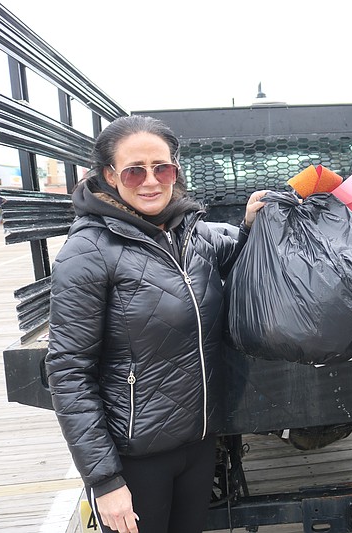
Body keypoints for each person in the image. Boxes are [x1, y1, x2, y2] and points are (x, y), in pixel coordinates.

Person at [45, 115, 267, 533]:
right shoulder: (89, 250)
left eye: (161, 168)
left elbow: (239, 251)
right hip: (136, 456)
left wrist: (252, 223)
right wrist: (105, 480)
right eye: (134, 171)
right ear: (110, 176)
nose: (151, 181)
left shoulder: (190, 233)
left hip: (198, 441)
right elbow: (69, 372)